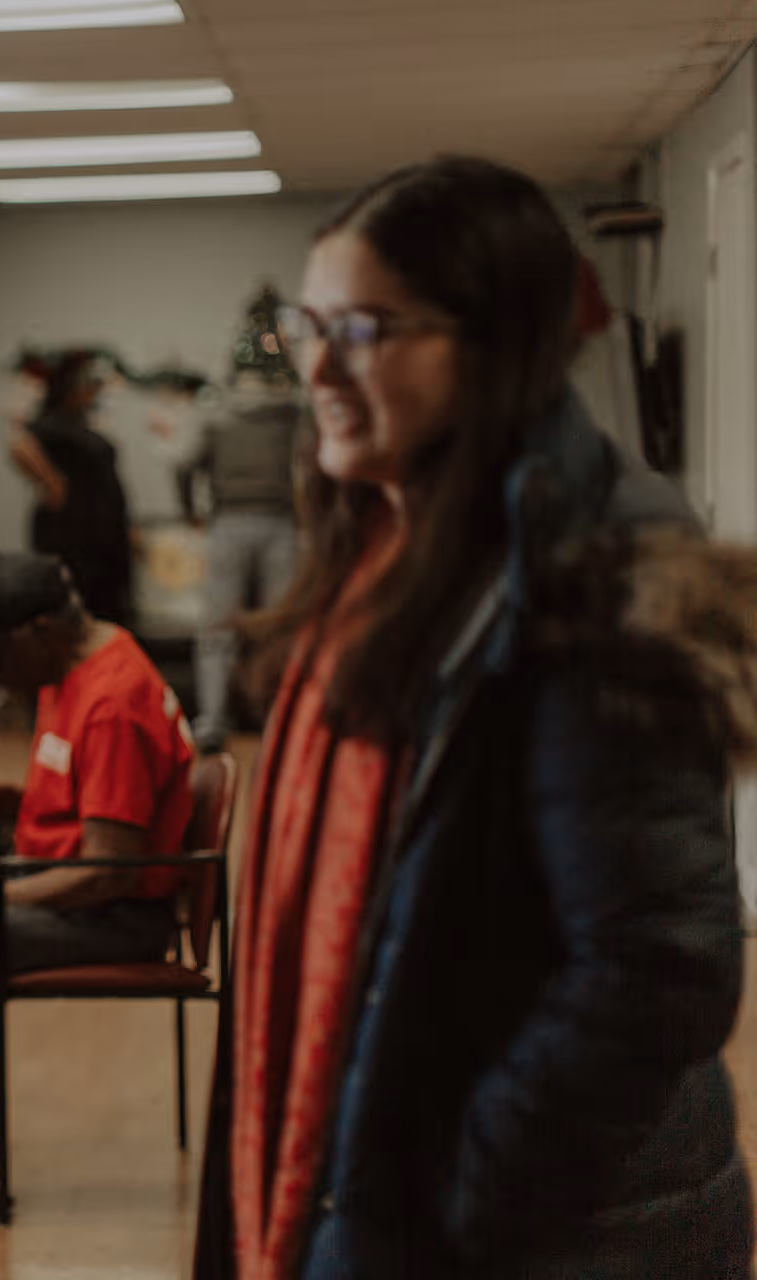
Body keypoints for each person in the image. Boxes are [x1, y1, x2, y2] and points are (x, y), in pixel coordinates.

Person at [195, 157, 754, 1279]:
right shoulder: (385, 549)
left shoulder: (593, 578)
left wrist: (460, 1192)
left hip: (555, 1235)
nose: (317, 366)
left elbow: (661, 963)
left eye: (363, 327)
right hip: (376, 1178)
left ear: (492, 341)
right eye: (314, 322)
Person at [0, 551, 196, 1229]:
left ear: (37, 631)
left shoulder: (113, 701)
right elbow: (93, 802)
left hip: (116, 914)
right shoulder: (76, 665)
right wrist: (6, 800)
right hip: (70, 884)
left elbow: (104, 870)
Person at [177, 367, 306, 752]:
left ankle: (213, 723)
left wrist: (189, 512)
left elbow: (184, 465)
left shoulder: (217, 415)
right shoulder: (292, 414)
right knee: (279, 628)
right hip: (281, 525)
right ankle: (280, 720)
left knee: (218, 629)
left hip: (228, 523)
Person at [10, 351, 136, 626]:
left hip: (103, 534)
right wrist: (54, 485)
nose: (93, 393)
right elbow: (19, 446)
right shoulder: (52, 422)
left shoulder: (81, 424)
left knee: (108, 609)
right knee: (75, 610)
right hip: (72, 536)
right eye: (87, 386)